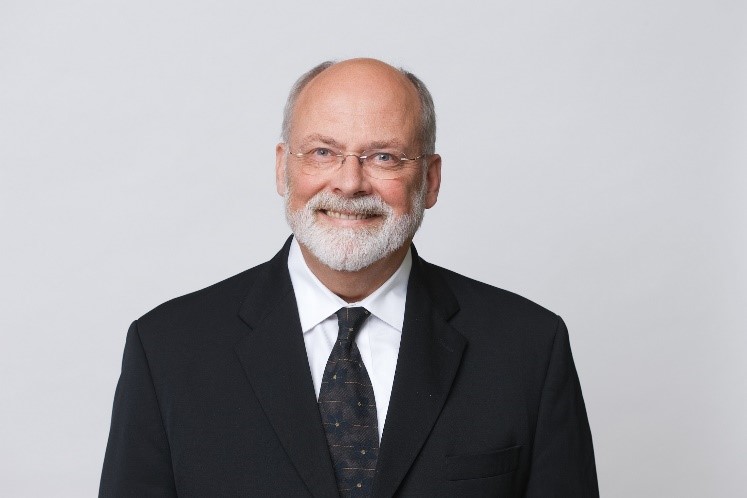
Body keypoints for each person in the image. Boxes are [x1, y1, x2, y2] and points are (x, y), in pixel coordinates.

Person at [100, 58, 599, 497]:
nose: (349, 182)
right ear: (283, 168)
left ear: (430, 180)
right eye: (322, 152)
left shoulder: (529, 350)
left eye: (384, 157)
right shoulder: (167, 349)